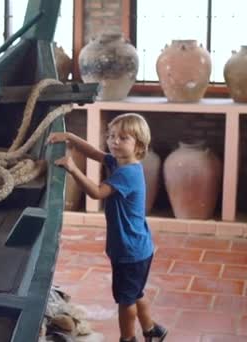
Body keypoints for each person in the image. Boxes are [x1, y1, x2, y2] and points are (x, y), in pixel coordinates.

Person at [47, 113, 167, 342]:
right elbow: (93, 153)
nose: (114, 141)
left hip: (130, 250)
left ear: (138, 145)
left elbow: (97, 192)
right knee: (135, 292)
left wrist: (73, 168)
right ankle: (152, 330)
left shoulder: (127, 173)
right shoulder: (120, 161)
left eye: (123, 138)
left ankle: (127, 338)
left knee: (125, 301)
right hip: (139, 248)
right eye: (111, 136)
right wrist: (70, 136)